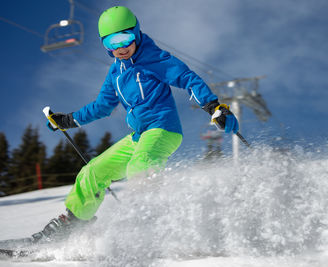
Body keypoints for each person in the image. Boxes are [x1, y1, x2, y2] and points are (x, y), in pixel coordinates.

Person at [34, 6, 239, 242]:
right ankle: (74, 223)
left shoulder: (154, 58)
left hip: (163, 129)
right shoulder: (116, 73)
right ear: (105, 45)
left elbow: (187, 78)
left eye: (125, 38)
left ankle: (155, 222)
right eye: (112, 42)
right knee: (92, 171)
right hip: (139, 135)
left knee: (139, 166)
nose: (120, 47)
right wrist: (67, 120)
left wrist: (213, 106)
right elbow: (101, 106)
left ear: (137, 33)